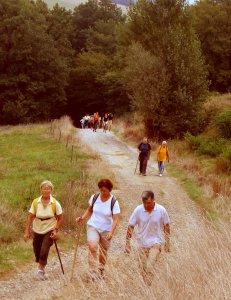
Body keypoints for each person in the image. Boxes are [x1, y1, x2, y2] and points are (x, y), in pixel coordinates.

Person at [76, 179, 120, 278]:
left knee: (103, 252)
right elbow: (90, 209)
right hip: (93, 226)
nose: (102, 192)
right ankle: (92, 271)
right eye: (101, 190)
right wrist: (82, 218)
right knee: (92, 246)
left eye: (104, 190)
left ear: (110, 190)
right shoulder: (95, 197)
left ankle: (101, 270)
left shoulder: (114, 202)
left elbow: (116, 219)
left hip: (106, 229)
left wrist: (111, 232)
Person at [24, 180, 63, 280]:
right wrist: (27, 231)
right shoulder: (35, 202)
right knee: (36, 249)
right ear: (41, 189)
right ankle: (41, 264)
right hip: (37, 228)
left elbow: (60, 218)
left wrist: (55, 230)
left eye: (48, 188)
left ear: (51, 190)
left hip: (50, 228)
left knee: (44, 250)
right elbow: (30, 217)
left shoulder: (55, 203)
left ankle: (40, 270)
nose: (46, 190)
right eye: (44, 188)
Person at [125, 191, 170, 274]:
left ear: (154, 200)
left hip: (156, 242)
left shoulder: (161, 210)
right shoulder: (138, 210)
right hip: (141, 243)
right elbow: (131, 226)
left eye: (148, 203)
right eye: (144, 203)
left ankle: (149, 283)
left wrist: (167, 242)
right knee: (142, 269)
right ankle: (147, 285)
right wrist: (127, 243)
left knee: (149, 266)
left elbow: (166, 226)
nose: (146, 205)